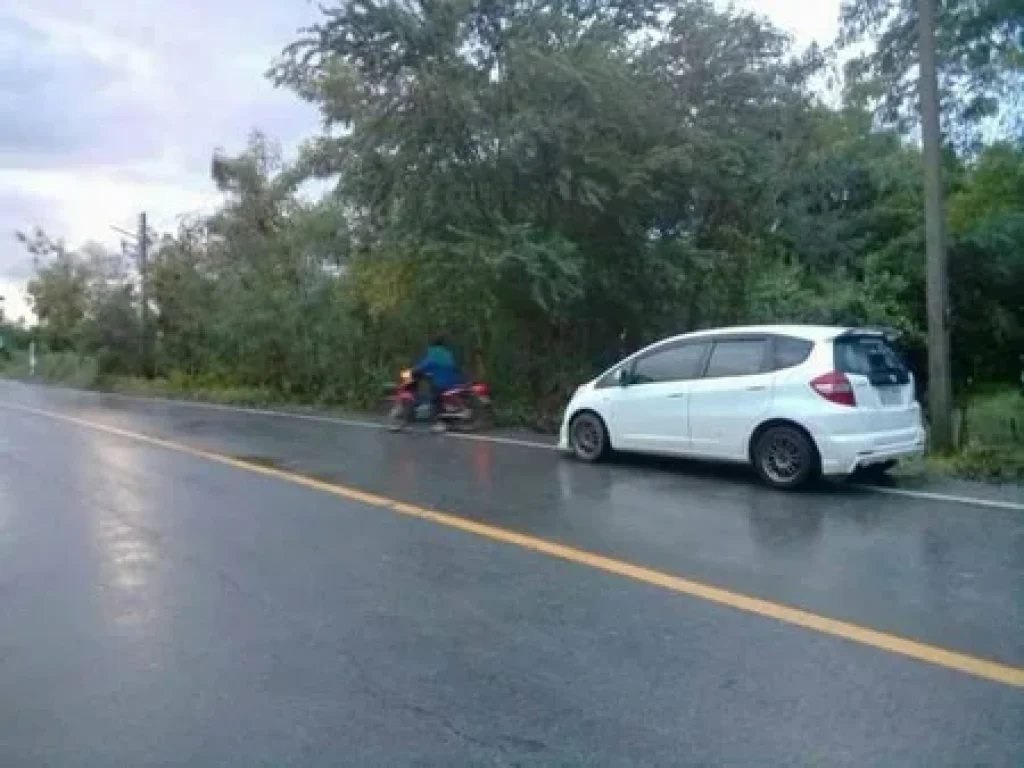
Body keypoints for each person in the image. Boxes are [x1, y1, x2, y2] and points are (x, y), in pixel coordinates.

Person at [411, 336, 463, 431]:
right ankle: (450, 420)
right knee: (444, 398)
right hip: (454, 380)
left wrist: (414, 370)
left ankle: (439, 423)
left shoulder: (433, 352)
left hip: (441, 381)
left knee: (435, 399)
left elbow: (426, 364)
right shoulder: (447, 352)